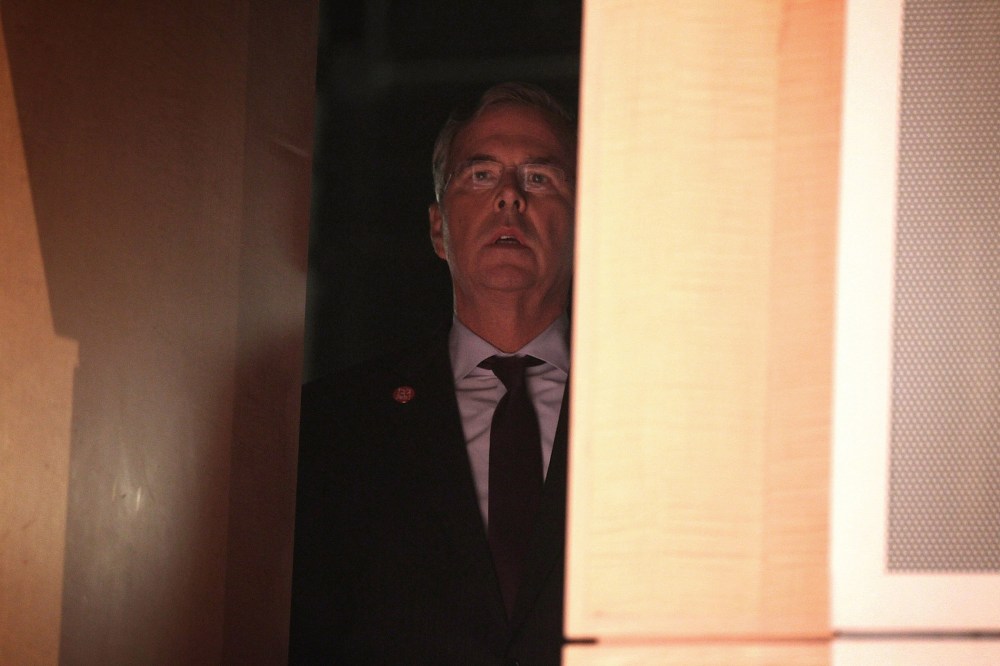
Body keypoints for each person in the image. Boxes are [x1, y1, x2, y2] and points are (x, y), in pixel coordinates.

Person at [289, 81, 576, 664]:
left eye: (539, 178)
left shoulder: (651, 418)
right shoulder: (334, 425)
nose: (510, 198)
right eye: (480, 175)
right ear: (437, 229)